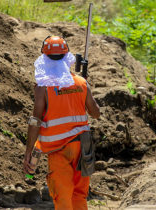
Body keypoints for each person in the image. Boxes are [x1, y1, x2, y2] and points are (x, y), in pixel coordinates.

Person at [23, 35, 100, 210]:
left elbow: (35, 121)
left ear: (44, 59)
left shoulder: (43, 88)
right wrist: (86, 87)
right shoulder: (81, 82)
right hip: (83, 147)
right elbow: (96, 113)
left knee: (62, 197)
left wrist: (29, 151)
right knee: (80, 195)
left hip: (58, 150)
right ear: (67, 58)